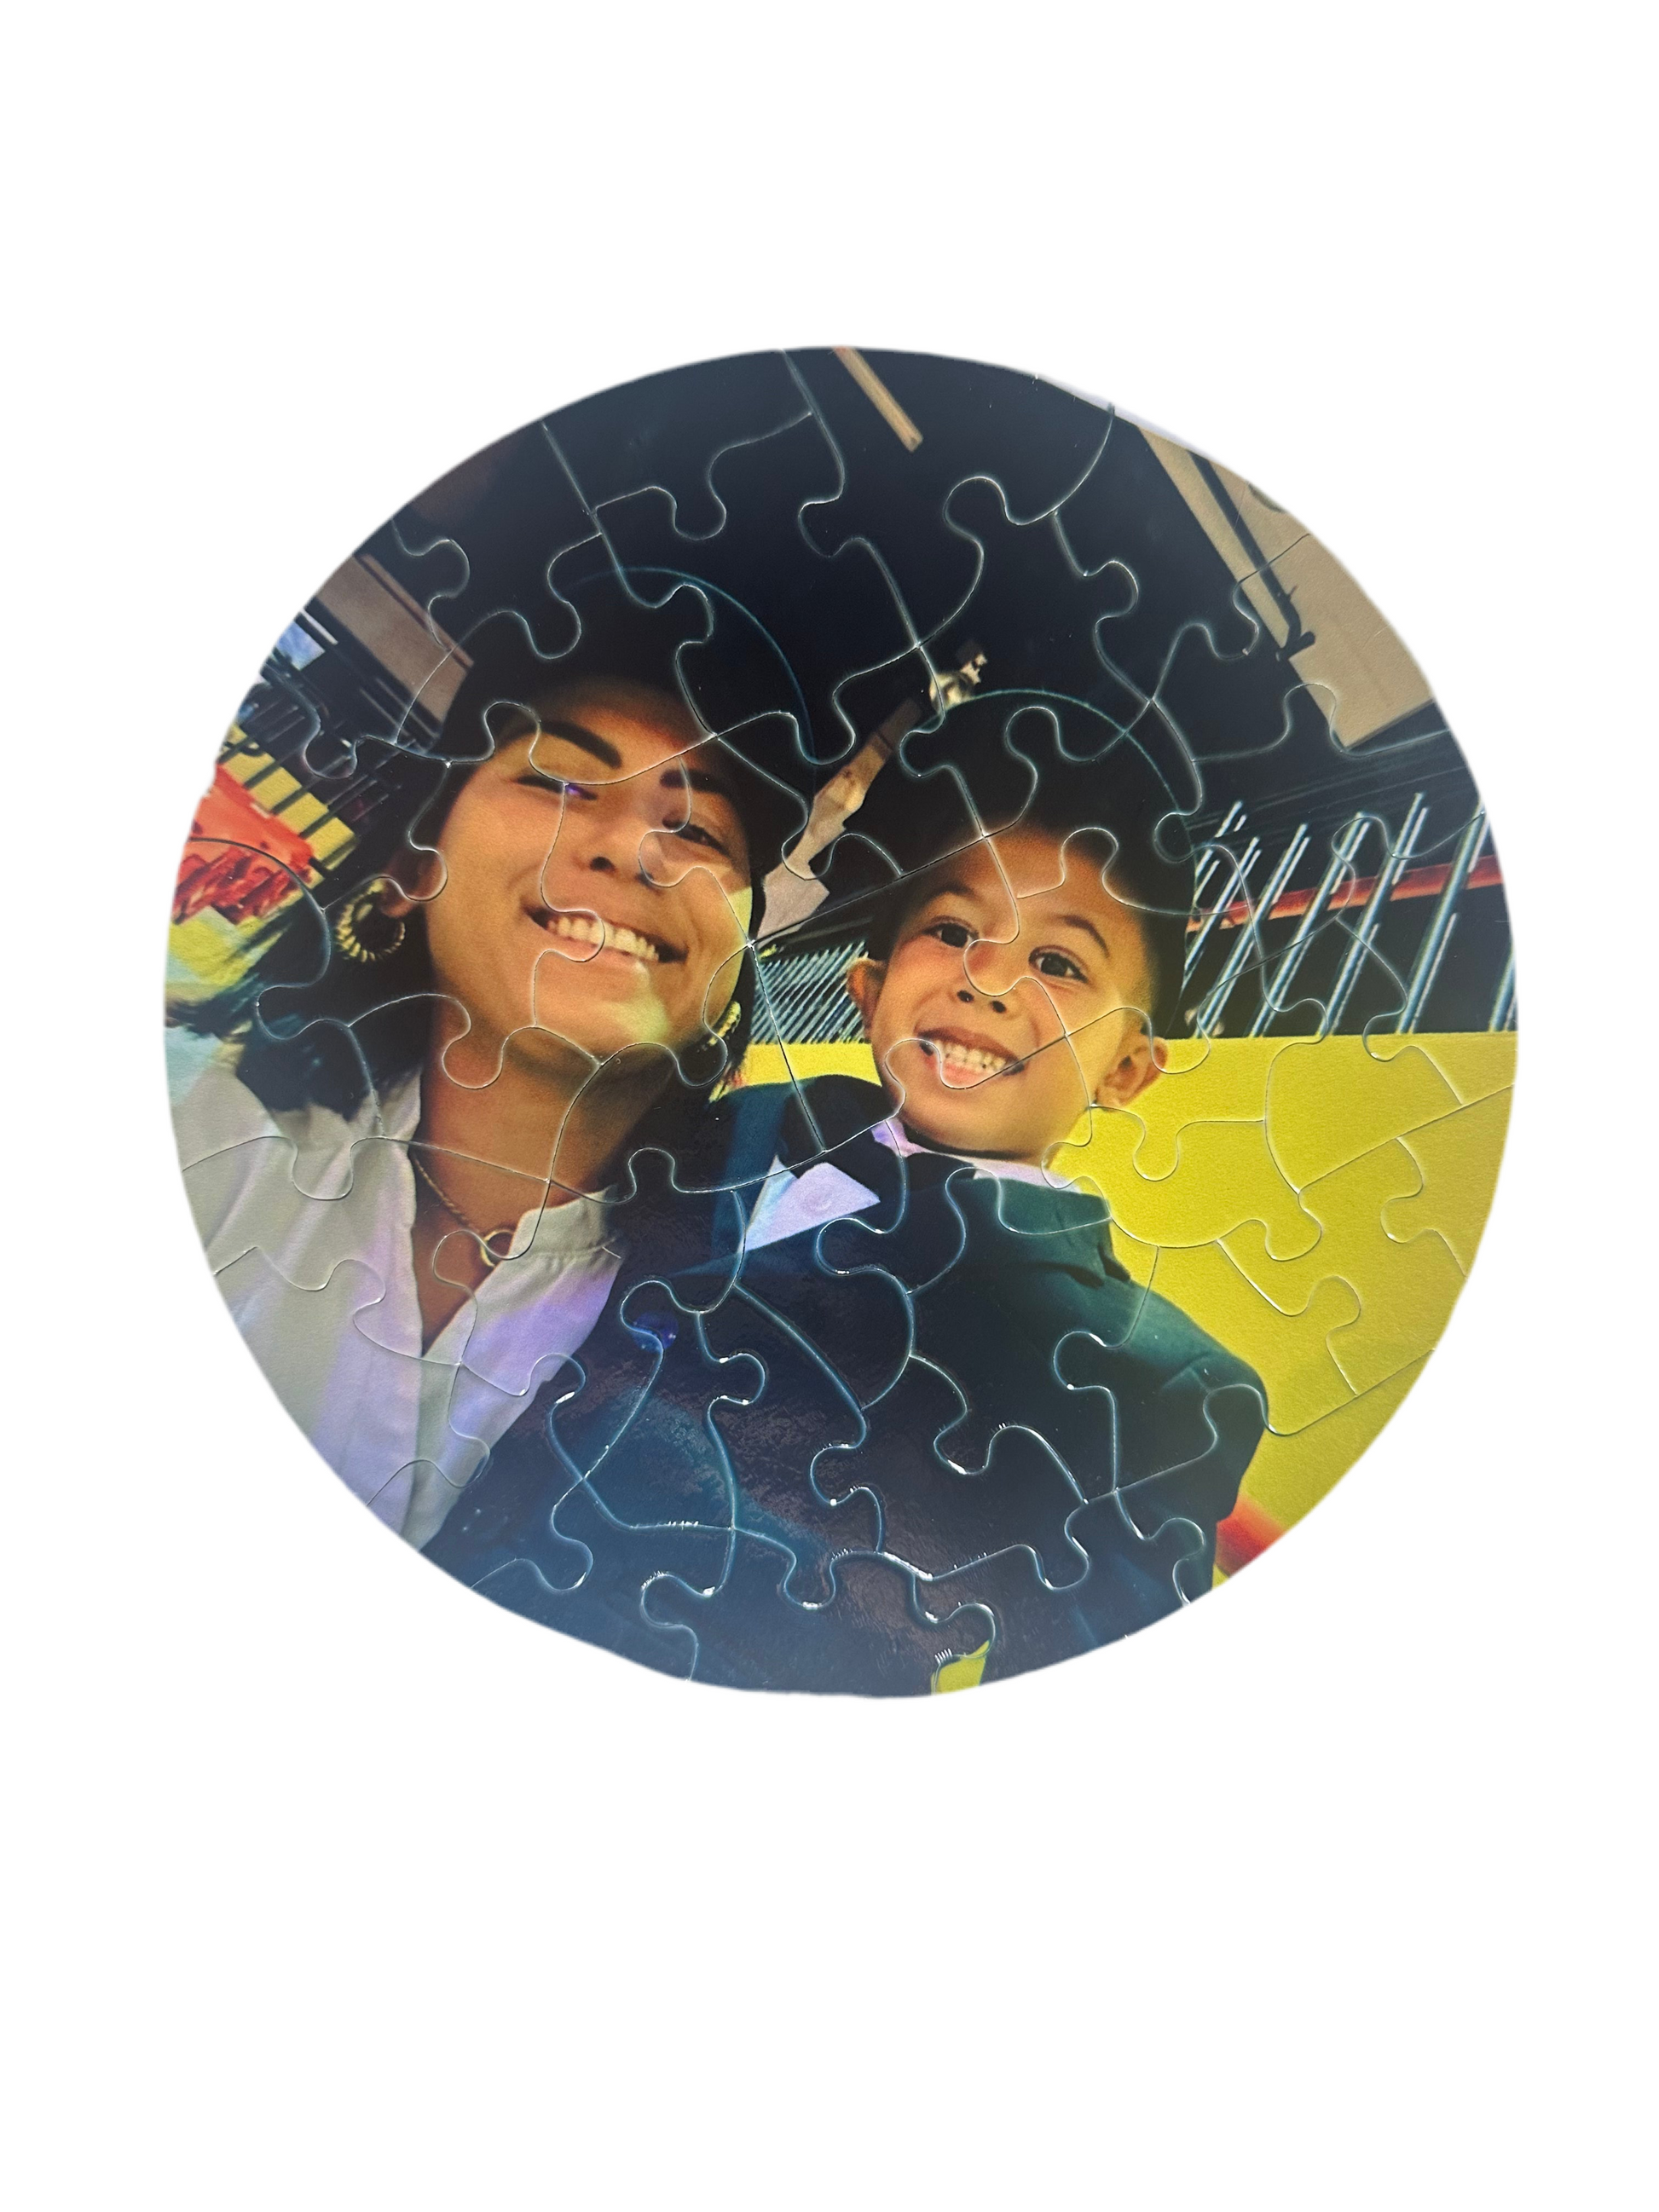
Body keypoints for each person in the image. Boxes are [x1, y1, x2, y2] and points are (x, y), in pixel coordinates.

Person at [425, 692, 1267, 1690]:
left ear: (1126, 1068)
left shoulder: (1147, 1380)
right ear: (867, 991)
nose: (986, 979)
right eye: (950, 928)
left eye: (1056, 961)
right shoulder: (742, 1121)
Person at [171, 572, 818, 1550]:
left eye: (697, 830)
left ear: (732, 963)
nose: (632, 848)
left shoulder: (769, 1339)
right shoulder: (190, 1128)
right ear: (409, 870)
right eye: (557, 782)